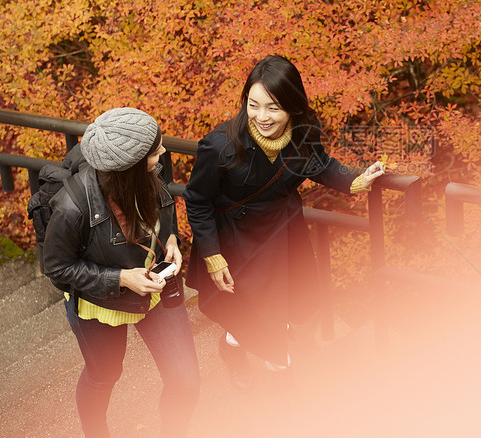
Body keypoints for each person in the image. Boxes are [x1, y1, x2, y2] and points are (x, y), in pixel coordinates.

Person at [184, 55, 385, 387]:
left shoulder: (303, 133)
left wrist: (356, 180)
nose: (262, 117)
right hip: (238, 241)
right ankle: (284, 388)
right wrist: (212, 255)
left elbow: (319, 165)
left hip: (282, 232)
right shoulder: (220, 145)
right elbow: (198, 199)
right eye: (253, 105)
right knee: (263, 316)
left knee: (274, 308)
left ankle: (233, 346)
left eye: (273, 107)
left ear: (291, 105)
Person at [42, 107, 200, 437]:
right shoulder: (72, 207)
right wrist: (119, 279)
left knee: (185, 379)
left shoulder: (151, 172)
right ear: (130, 166)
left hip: (154, 292)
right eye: (156, 150)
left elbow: (164, 208)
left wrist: (170, 237)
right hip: (101, 305)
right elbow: (56, 266)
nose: (164, 152)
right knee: (104, 375)